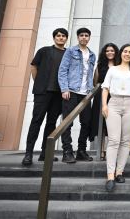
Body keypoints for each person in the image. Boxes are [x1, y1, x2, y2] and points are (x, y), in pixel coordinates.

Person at [101, 44, 130, 192]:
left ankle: (119, 172)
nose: (127, 54)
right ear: (121, 54)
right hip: (114, 103)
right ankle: (110, 175)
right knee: (113, 140)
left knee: (125, 141)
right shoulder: (112, 69)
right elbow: (105, 88)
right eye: (125, 51)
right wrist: (104, 105)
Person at [22, 28, 69, 166]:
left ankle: (45, 154)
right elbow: (34, 67)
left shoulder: (68, 54)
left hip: (58, 94)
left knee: (51, 124)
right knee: (36, 121)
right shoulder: (44, 51)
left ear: (66, 38)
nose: (61, 38)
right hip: (43, 92)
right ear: (54, 38)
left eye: (63, 36)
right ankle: (28, 154)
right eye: (58, 36)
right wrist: (39, 83)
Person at [58, 27, 97, 163]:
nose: (84, 38)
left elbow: (90, 74)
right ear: (78, 37)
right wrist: (64, 89)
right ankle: (67, 152)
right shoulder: (70, 51)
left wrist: (91, 90)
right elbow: (62, 70)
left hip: (85, 93)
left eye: (86, 35)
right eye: (81, 35)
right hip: (71, 91)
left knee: (86, 123)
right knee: (67, 122)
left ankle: (81, 151)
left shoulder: (92, 55)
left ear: (89, 38)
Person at [92, 43, 119, 161]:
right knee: (101, 125)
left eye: (112, 51)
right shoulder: (100, 65)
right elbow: (95, 82)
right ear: (104, 52)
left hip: (115, 96)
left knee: (113, 125)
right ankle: (102, 150)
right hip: (101, 96)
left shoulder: (119, 65)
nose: (110, 53)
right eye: (107, 51)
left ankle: (110, 151)